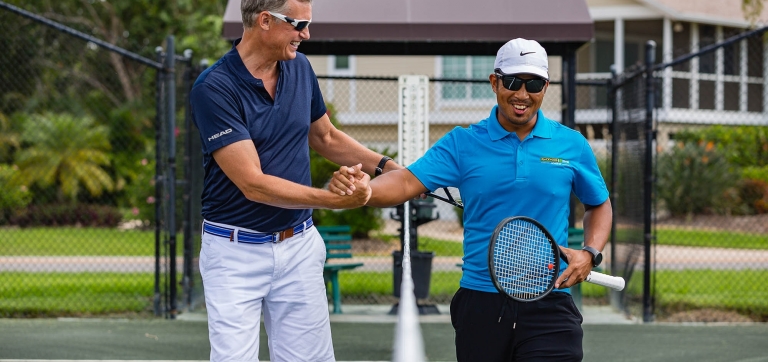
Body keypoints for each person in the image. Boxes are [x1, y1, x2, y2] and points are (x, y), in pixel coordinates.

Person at [331, 38, 613, 361]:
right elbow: (407, 180)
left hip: (550, 302)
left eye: (534, 84)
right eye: (512, 82)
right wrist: (367, 191)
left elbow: (599, 204)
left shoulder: (572, 145)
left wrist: (591, 252)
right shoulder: (462, 143)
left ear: (545, 87)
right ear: (494, 82)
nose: (522, 94)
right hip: (481, 303)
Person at [188, 0, 401, 360]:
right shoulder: (214, 88)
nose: (307, 34)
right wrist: (335, 200)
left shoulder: (300, 67)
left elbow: (325, 137)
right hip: (234, 254)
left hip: (299, 248)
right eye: (299, 24)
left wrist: (389, 167)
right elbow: (253, 184)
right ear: (264, 21)